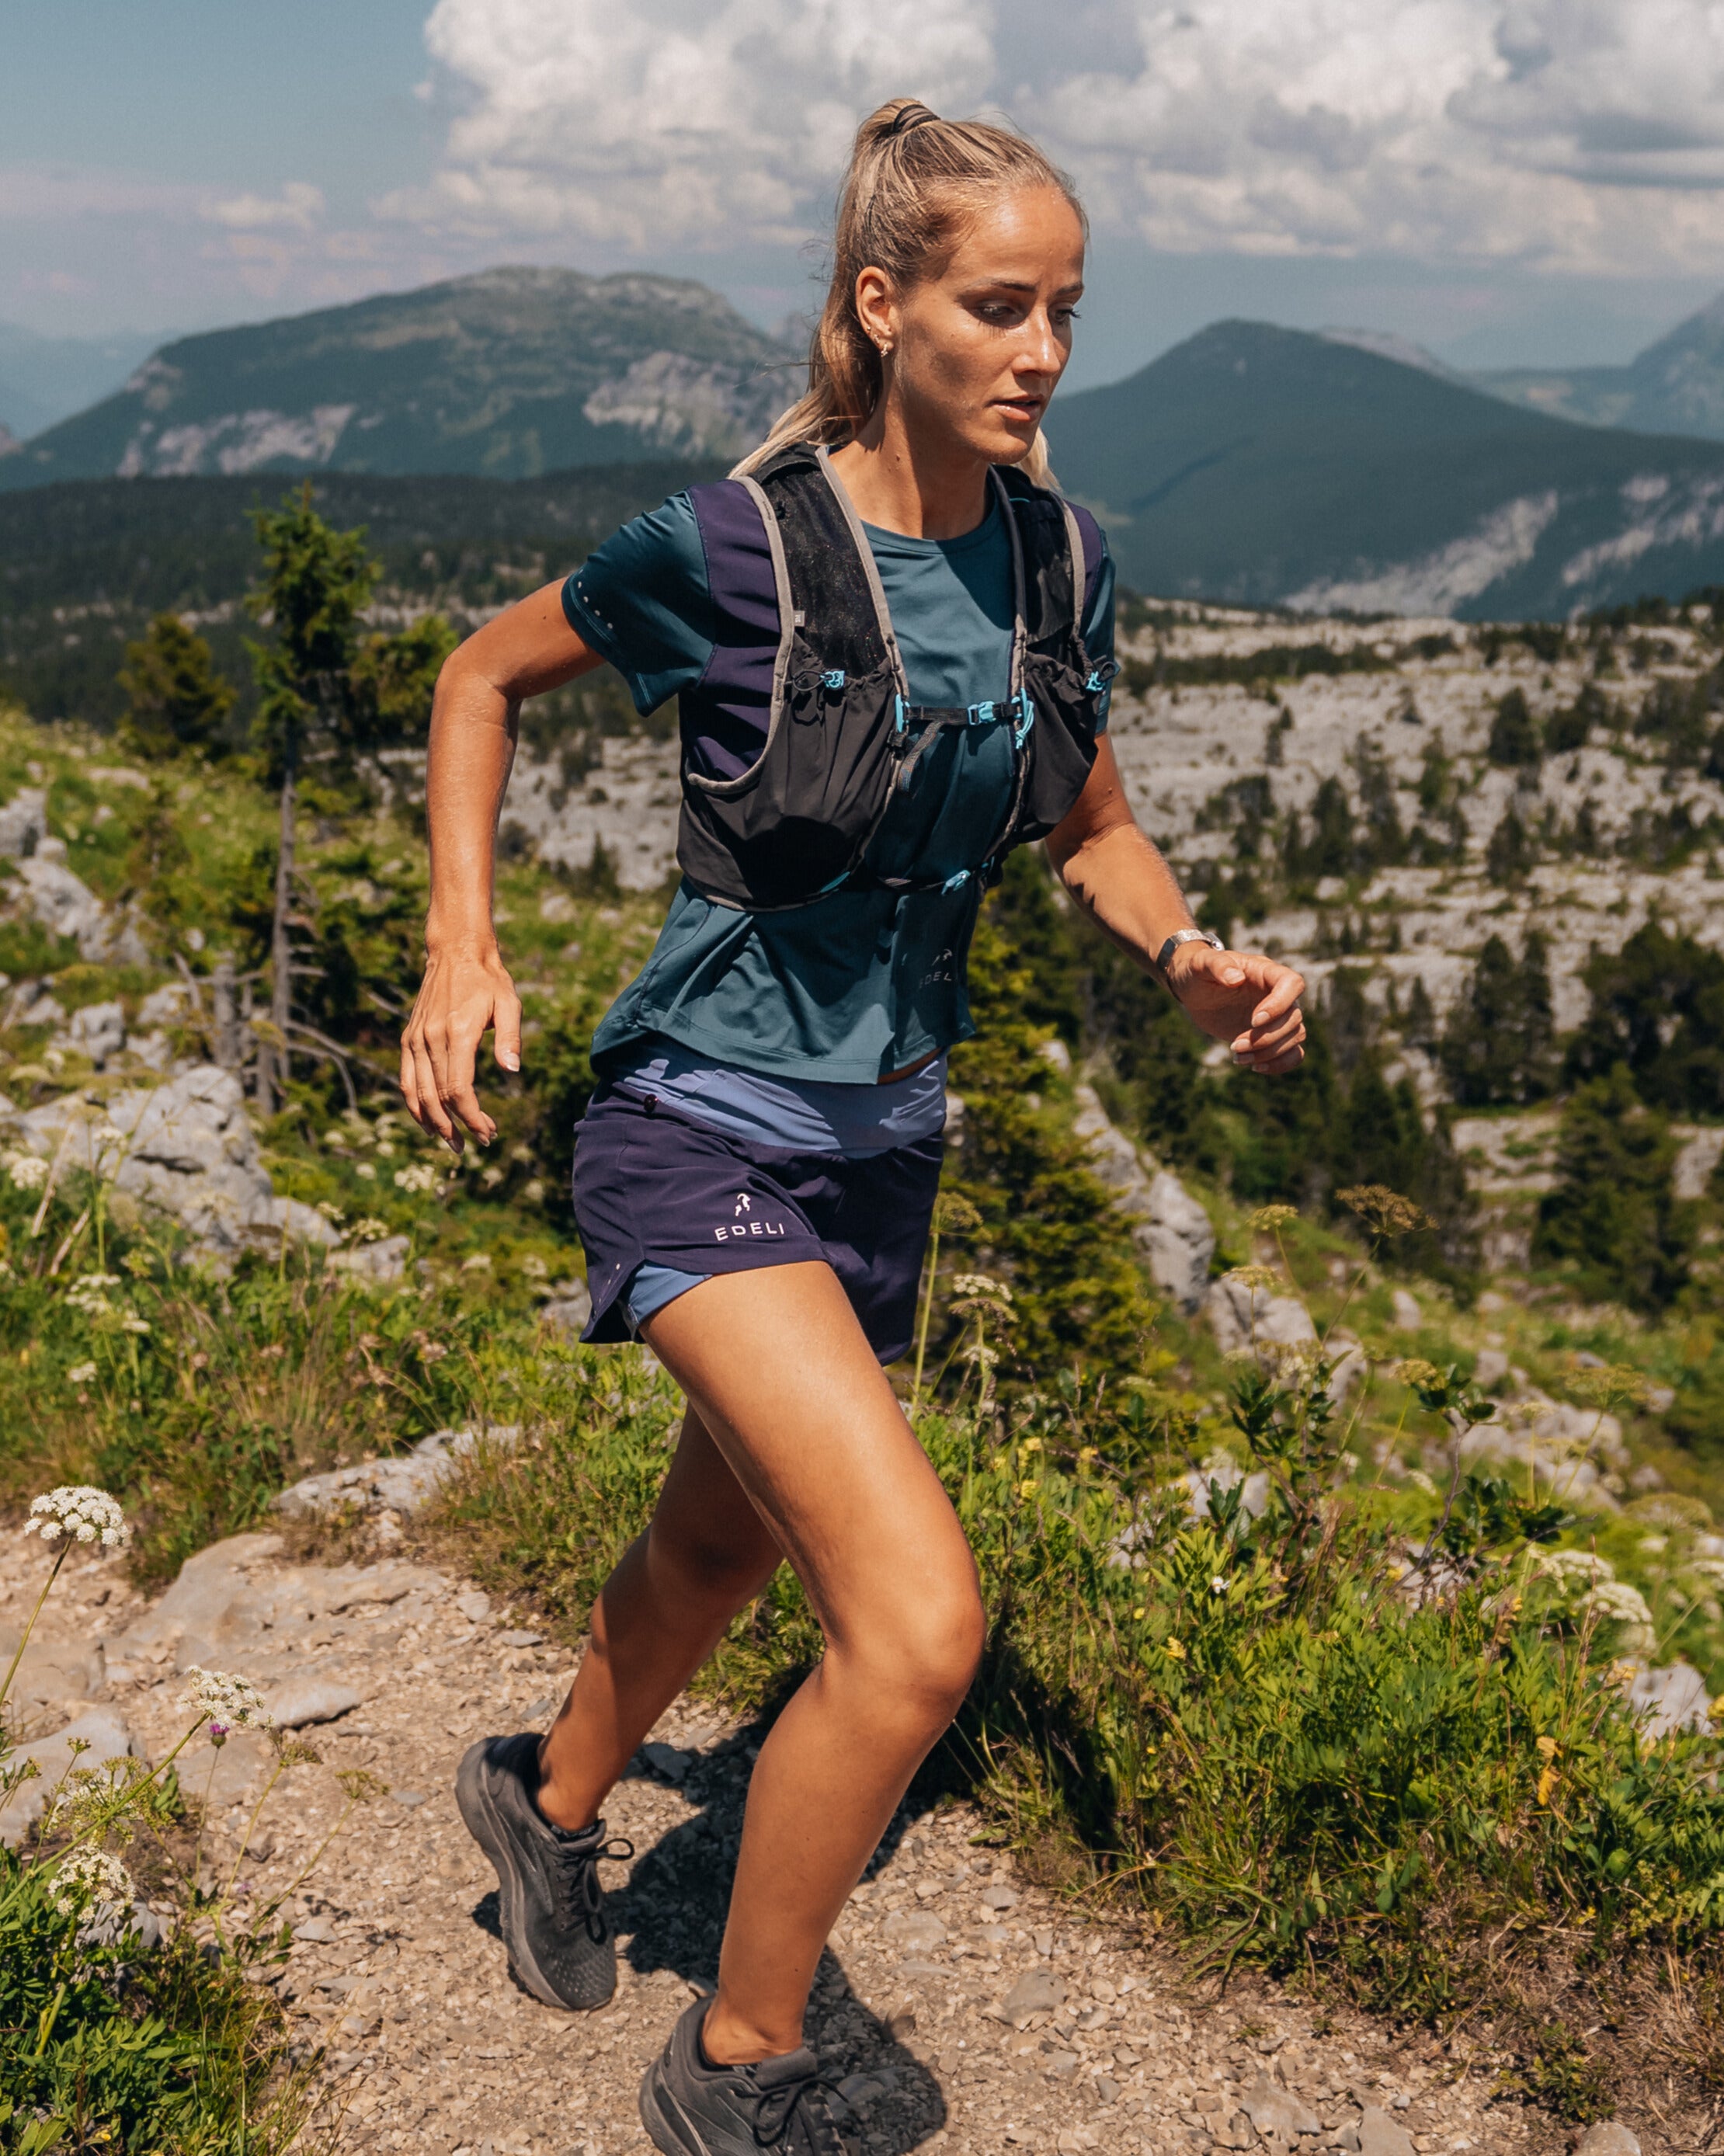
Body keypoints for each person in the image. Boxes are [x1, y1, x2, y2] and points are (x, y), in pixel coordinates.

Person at [400, 96, 1307, 2156]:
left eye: (1065, 309)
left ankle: (542, 1806)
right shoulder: (733, 550)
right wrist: (460, 949)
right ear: (879, 304)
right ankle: (743, 2060)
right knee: (911, 1626)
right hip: (693, 1119)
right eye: (998, 305)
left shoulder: (1057, 561)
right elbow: (478, 676)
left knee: (721, 1532)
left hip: (877, 1143)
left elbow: (1090, 824)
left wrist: (1186, 964)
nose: (1042, 352)